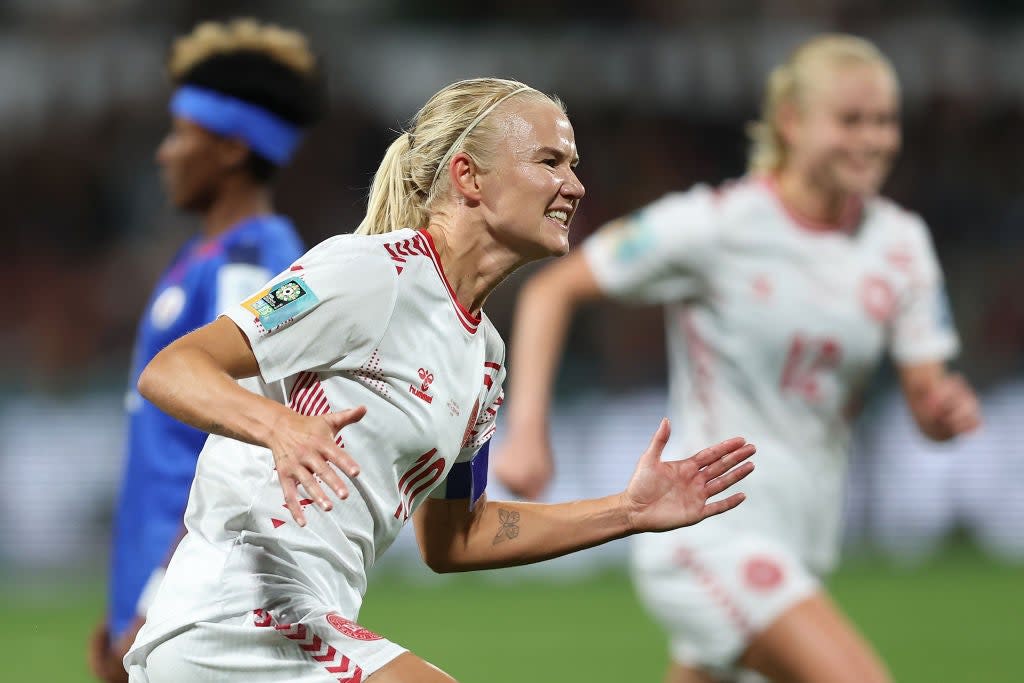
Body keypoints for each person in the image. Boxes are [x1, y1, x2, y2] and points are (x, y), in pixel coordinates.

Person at [119, 77, 756, 683]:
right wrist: (280, 426)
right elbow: (173, 368)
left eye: (573, 164)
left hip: (304, 623)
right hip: (238, 615)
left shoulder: (485, 359)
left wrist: (626, 510)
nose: (576, 186)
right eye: (550, 162)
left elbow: (457, 536)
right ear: (468, 177)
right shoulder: (370, 274)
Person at [492, 34, 982, 683]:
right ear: (791, 122)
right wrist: (527, 431)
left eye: (885, 121)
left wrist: (944, 409)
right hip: (707, 533)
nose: (874, 139)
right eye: (851, 120)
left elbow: (927, 395)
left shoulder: (900, 243)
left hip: (802, 537)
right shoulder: (716, 225)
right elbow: (554, 289)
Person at [89, 19, 325, 683]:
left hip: (198, 600)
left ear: (226, 148)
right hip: (161, 592)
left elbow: (248, 446)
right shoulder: (205, 258)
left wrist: (154, 594)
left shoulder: (252, 268)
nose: (164, 153)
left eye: (179, 133)